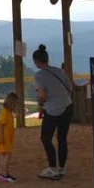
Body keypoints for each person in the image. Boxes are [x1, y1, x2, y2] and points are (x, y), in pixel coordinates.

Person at [33, 44, 74, 180]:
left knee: (46, 138)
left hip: (52, 109)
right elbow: (69, 88)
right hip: (67, 106)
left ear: (36, 61)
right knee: (62, 138)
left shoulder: (39, 75)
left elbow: (42, 95)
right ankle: (62, 168)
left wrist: (40, 104)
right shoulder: (59, 72)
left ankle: (52, 167)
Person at [0, 92, 20, 183]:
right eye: (15, 104)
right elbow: (1, 125)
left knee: (4, 155)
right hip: (5, 138)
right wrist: (1, 137)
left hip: (8, 137)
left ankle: (3, 174)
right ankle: (5, 175)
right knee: (7, 155)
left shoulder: (8, 112)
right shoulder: (5, 112)